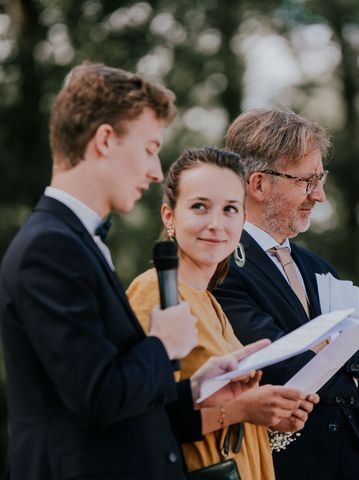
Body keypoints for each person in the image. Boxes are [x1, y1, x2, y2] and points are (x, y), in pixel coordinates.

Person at [0, 63, 266, 480]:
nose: (156, 170)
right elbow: (97, 398)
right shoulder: (48, 248)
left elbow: (120, 396)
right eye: (149, 148)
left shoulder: (76, 241)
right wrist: (162, 346)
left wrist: (199, 389)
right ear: (105, 140)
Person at [213, 108, 359, 480]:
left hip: (355, 462)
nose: (319, 195)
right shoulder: (222, 266)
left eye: (321, 179)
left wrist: (324, 344)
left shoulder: (317, 267)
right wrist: (344, 337)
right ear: (258, 184)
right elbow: (275, 357)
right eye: (308, 181)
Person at [127, 146, 319, 479]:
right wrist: (242, 408)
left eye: (230, 209)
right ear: (169, 216)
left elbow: (212, 408)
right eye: (200, 207)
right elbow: (143, 418)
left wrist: (267, 416)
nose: (216, 224)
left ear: (243, 218)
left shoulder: (210, 301)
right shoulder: (155, 293)